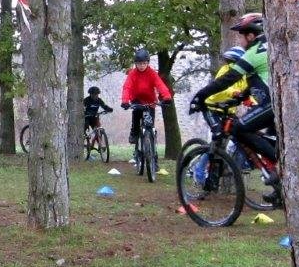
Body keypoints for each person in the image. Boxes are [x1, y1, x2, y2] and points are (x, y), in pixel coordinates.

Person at [189, 13, 280, 203]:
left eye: (241, 35)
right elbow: (260, 80)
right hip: (275, 103)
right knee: (272, 140)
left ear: (250, 35)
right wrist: (243, 95)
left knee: (238, 128)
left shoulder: (254, 52)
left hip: (272, 104)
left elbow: (229, 78)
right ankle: (280, 188)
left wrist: (200, 95)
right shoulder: (266, 48)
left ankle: (279, 170)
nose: (239, 39)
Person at [120, 48, 173, 144]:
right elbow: (127, 87)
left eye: (144, 63)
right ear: (136, 63)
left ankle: (152, 146)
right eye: (139, 63)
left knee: (150, 123)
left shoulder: (152, 73)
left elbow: (160, 85)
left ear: (147, 63)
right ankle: (134, 133)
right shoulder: (132, 74)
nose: (142, 66)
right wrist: (125, 101)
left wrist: (167, 97)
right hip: (137, 100)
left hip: (150, 100)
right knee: (136, 115)